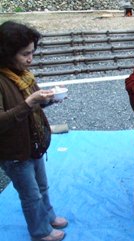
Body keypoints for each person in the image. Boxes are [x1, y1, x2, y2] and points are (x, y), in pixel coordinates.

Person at [0, 21, 67, 241]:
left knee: (42, 186)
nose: (30, 59)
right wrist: (29, 102)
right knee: (30, 196)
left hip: (34, 143)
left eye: (32, 52)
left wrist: (48, 99)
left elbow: (34, 103)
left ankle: (48, 217)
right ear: (7, 54)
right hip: (14, 152)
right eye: (24, 54)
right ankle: (40, 233)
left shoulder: (24, 74)